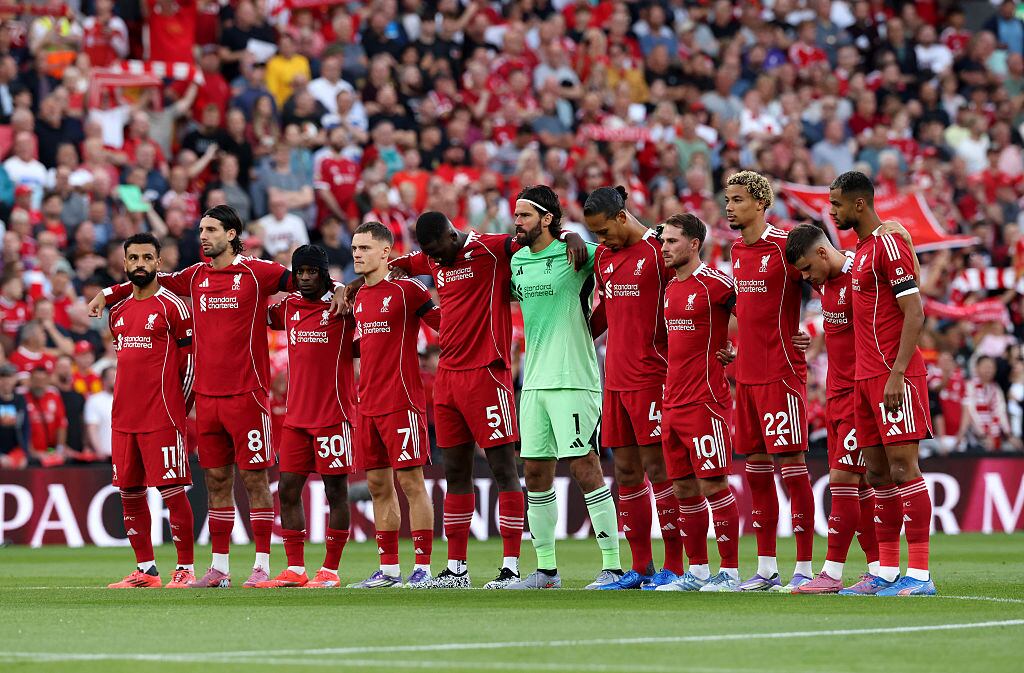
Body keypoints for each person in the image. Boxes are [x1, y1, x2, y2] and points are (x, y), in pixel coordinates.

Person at [89, 205, 346, 588]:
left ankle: (261, 565)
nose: (203, 236)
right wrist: (109, 293)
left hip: (248, 395)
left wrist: (341, 287)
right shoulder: (194, 276)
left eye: (210, 230)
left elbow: (307, 282)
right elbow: (147, 278)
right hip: (208, 400)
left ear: (231, 234)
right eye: (201, 229)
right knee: (216, 481)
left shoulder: (259, 273)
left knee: (256, 481)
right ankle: (220, 568)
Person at [387, 212, 586, 589]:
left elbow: (532, 236)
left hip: (488, 374)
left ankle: (510, 565)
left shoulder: (491, 249)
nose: (435, 260)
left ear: (452, 234)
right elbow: (403, 261)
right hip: (447, 378)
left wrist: (569, 234)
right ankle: (457, 570)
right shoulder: (432, 256)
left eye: (437, 251)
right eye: (428, 254)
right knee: (455, 473)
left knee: (503, 469)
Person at [505, 185, 621, 590]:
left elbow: (618, 254)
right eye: (515, 215)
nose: (516, 222)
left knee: (585, 466)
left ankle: (612, 566)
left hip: (574, 378)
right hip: (534, 381)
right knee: (535, 472)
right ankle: (547, 571)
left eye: (524, 216)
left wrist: (576, 236)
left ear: (547, 219)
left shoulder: (578, 252)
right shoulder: (517, 260)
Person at [830, 170, 935, 596]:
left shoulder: (889, 245)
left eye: (836, 204)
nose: (832, 210)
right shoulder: (862, 249)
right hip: (864, 378)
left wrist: (896, 374)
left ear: (859, 204)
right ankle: (887, 572)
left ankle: (921, 576)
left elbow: (915, 313)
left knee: (903, 468)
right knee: (876, 473)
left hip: (896, 377)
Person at [581, 186, 685, 590]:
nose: (601, 241)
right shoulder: (605, 256)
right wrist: (579, 340)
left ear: (622, 217)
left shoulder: (660, 250)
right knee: (625, 473)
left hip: (653, 378)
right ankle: (640, 567)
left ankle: (674, 566)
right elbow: (605, 310)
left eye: (604, 231)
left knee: (660, 470)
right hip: (616, 380)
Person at [726, 170, 816, 592]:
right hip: (745, 377)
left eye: (738, 199)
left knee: (793, 471)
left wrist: (812, 332)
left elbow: (831, 279)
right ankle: (765, 568)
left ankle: (803, 567)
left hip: (782, 374)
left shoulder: (786, 247)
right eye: (728, 199)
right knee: (757, 474)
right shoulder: (735, 250)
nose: (730, 206)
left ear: (761, 204)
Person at [785, 224, 882, 594]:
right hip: (837, 396)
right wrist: (811, 341)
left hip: (861, 393)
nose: (807, 278)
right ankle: (877, 569)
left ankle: (832, 573)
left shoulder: (862, 275)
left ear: (823, 254)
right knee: (856, 489)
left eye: (808, 269)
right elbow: (838, 332)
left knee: (844, 480)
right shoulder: (826, 285)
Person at [256, 245, 357, 588]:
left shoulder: (343, 307)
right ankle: (296, 569)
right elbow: (254, 312)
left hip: (334, 414)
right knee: (287, 489)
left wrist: (344, 288)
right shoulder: (288, 307)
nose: (304, 278)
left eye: (312, 272)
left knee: (335, 493)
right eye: (300, 272)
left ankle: (330, 570)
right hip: (297, 419)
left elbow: (367, 295)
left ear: (324, 272)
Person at [652, 213, 743, 593]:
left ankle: (732, 573)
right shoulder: (671, 289)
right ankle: (699, 571)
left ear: (693, 244)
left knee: (714, 485)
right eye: (663, 241)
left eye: (673, 241)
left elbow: (756, 315)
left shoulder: (716, 285)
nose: (665, 247)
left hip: (706, 402)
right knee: (683, 489)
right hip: (672, 402)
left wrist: (736, 349)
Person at [348, 221, 441, 589]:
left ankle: (423, 568)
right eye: (355, 248)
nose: (357, 254)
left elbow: (447, 325)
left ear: (386, 252)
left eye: (365, 248)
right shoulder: (359, 298)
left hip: (401, 401)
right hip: (367, 403)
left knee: (412, 482)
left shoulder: (407, 292)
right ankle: (388, 570)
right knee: (376, 485)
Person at [105, 233, 196, 589]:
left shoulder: (173, 306)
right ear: (124, 263)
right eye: (133, 258)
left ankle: (185, 569)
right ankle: (146, 570)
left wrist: (178, 409)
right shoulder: (118, 311)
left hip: (162, 416)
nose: (140, 264)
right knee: (129, 491)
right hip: (123, 418)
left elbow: (190, 365)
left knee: (172, 491)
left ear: (159, 262)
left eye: (147, 257)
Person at [83, 365, 115, 460]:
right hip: (105, 455)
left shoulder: (126, 399)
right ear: (104, 380)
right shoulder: (94, 400)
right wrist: (99, 451)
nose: (116, 379)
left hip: (124, 455)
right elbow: (92, 427)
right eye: (112, 376)